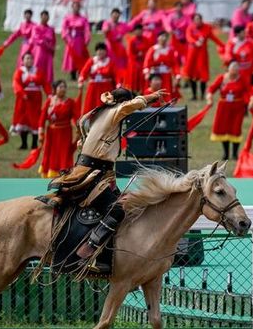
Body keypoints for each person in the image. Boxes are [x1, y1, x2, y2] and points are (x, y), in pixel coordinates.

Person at [47, 87, 166, 272]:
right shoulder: (113, 113)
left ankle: (107, 255)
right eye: (126, 104)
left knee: (123, 204)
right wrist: (152, 97)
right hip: (93, 175)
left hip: (96, 173)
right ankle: (86, 253)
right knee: (117, 210)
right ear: (121, 103)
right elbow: (129, 106)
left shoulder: (99, 115)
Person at [206, 62, 248, 160]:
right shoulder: (222, 78)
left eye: (237, 68)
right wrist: (209, 96)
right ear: (228, 68)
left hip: (237, 107)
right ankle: (226, 153)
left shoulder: (242, 79)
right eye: (233, 67)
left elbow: (247, 91)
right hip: (224, 107)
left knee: (236, 129)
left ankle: (235, 153)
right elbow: (211, 88)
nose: (234, 69)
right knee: (224, 129)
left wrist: (247, 103)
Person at [38, 80, 77, 178]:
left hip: (65, 133)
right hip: (51, 133)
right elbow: (42, 118)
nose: (63, 89)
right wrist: (40, 133)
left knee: (65, 153)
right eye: (60, 87)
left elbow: (77, 118)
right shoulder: (49, 101)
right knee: (51, 154)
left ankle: (64, 175)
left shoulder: (70, 102)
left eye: (64, 87)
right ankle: (50, 174)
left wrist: (80, 131)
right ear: (55, 89)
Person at [11, 51, 50, 149]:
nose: (29, 60)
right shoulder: (20, 72)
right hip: (24, 99)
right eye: (27, 58)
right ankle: (24, 143)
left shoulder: (38, 71)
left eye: (31, 58)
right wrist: (22, 94)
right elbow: (16, 84)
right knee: (23, 119)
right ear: (23, 61)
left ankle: (34, 143)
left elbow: (45, 83)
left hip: (35, 99)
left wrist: (49, 94)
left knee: (35, 119)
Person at [183, 13, 225, 100]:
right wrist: (195, 42)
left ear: (201, 20)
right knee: (191, 74)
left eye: (199, 19)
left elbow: (213, 38)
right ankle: (194, 95)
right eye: (196, 19)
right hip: (192, 55)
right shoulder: (190, 28)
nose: (197, 21)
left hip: (202, 55)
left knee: (203, 75)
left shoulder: (206, 28)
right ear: (193, 20)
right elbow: (188, 37)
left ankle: (202, 95)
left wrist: (223, 45)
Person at [79, 43, 117, 114]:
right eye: (99, 50)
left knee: (106, 108)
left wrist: (118, 84)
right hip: (93, 89)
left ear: (106, 51)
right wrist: (81, 80)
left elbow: (116, 75)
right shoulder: (91, 61)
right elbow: (84, 72)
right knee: (91, 107)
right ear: (96, 51)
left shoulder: (110, 62)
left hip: (106, 88)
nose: (100, 52)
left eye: (102, 50)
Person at [143, 31, 178, 99]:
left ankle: (166, 104)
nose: (164, 38)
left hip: (166, 74)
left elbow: (174, 63)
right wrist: (147, 71)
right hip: (155, 73)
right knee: (154, 90)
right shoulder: (153, 49)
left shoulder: (170, 50)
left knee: (166, 91)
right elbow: (147, 61)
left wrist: (177, 74)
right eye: (162, 36)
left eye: (165, 37)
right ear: (158, 38)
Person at [61, 2, 91, 81]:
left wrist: (86, 40)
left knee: (80, 56)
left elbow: (87, 30)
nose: (76, 8)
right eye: (74, 7)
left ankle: (81, 73)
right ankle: (72, 74)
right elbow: (64, 29)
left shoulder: (83, 19)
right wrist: (67, 39)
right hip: (71, 40)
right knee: (71, 57)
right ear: (72, 8)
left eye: (77, 7)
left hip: (80, 40)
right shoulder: (67, 18)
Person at [101, 8, 130, 85]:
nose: (115, 16)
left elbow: (129, 30)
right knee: (110, 63)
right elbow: (104, 30)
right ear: (111, 15)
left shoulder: (123, 25)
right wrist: (107, 29)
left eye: (117, 14)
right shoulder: (107, 23)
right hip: (110, 47)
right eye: (114, 14)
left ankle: (119, 81)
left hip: (119, 48)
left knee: (120, 65)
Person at [124, 24, 150, 92]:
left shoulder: (146, 40)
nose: (139, 32)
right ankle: (133, 91)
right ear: (134, 31)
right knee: (133, 77)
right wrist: (137, 56)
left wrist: (143, 54)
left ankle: (143, 91)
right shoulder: (132, 40)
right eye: (137, 30)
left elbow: (148, 51)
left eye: (140, 30)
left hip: (143, 61)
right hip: (134, 62)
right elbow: (129, 53)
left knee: (143, 77)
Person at [164, 1, 190, 66]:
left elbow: (191, 26)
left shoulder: (186, 17)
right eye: (177, 7)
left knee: (184, 59)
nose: (179, 8)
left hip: (183, 41)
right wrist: (170, 30)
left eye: (180, 7)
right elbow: (167, 25)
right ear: (174, 7)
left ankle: (183, 73)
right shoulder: (171, 16)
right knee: (174, 57)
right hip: (174, 40)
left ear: (182, 8)